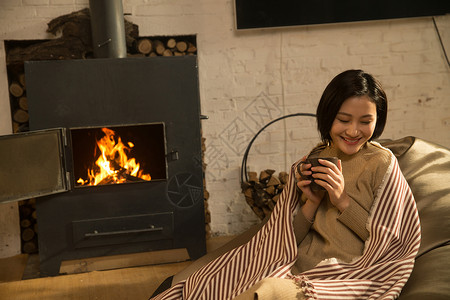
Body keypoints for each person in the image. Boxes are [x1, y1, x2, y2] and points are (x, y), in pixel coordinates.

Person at [151, 70, 421, 300]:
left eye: (366, 121)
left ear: (378, 120)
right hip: (294, 262)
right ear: (328, 117)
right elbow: (286, 236)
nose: (353, 131)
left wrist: (342, 201)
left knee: (266, 290)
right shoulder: (317, 158)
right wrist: (311, 204)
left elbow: (392, 242)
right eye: (343, 120)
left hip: (341, 274)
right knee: (203, 280)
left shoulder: (381, 164)